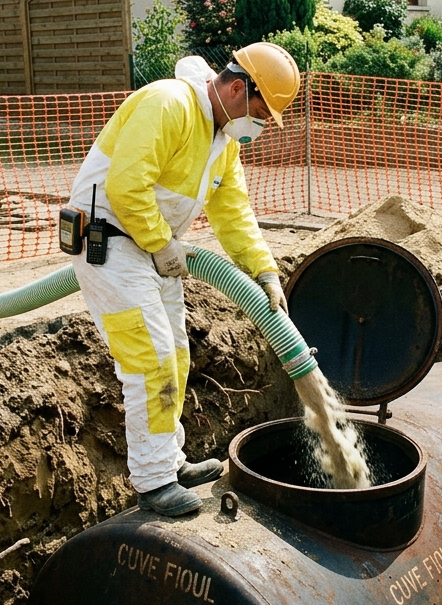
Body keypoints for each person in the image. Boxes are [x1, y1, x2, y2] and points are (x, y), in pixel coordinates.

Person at [67, 42, 300, 517]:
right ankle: (153, 483)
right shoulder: (169, 104)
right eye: (260, 112)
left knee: (174, 355)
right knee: (149, 360)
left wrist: (264, 270)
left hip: (153, 249)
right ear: (237, 88)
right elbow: (125, 186)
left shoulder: (223, 142)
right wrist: (161, 243)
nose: (258, 126)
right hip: (109, 242)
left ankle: (169, 460)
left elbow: (233, 212)